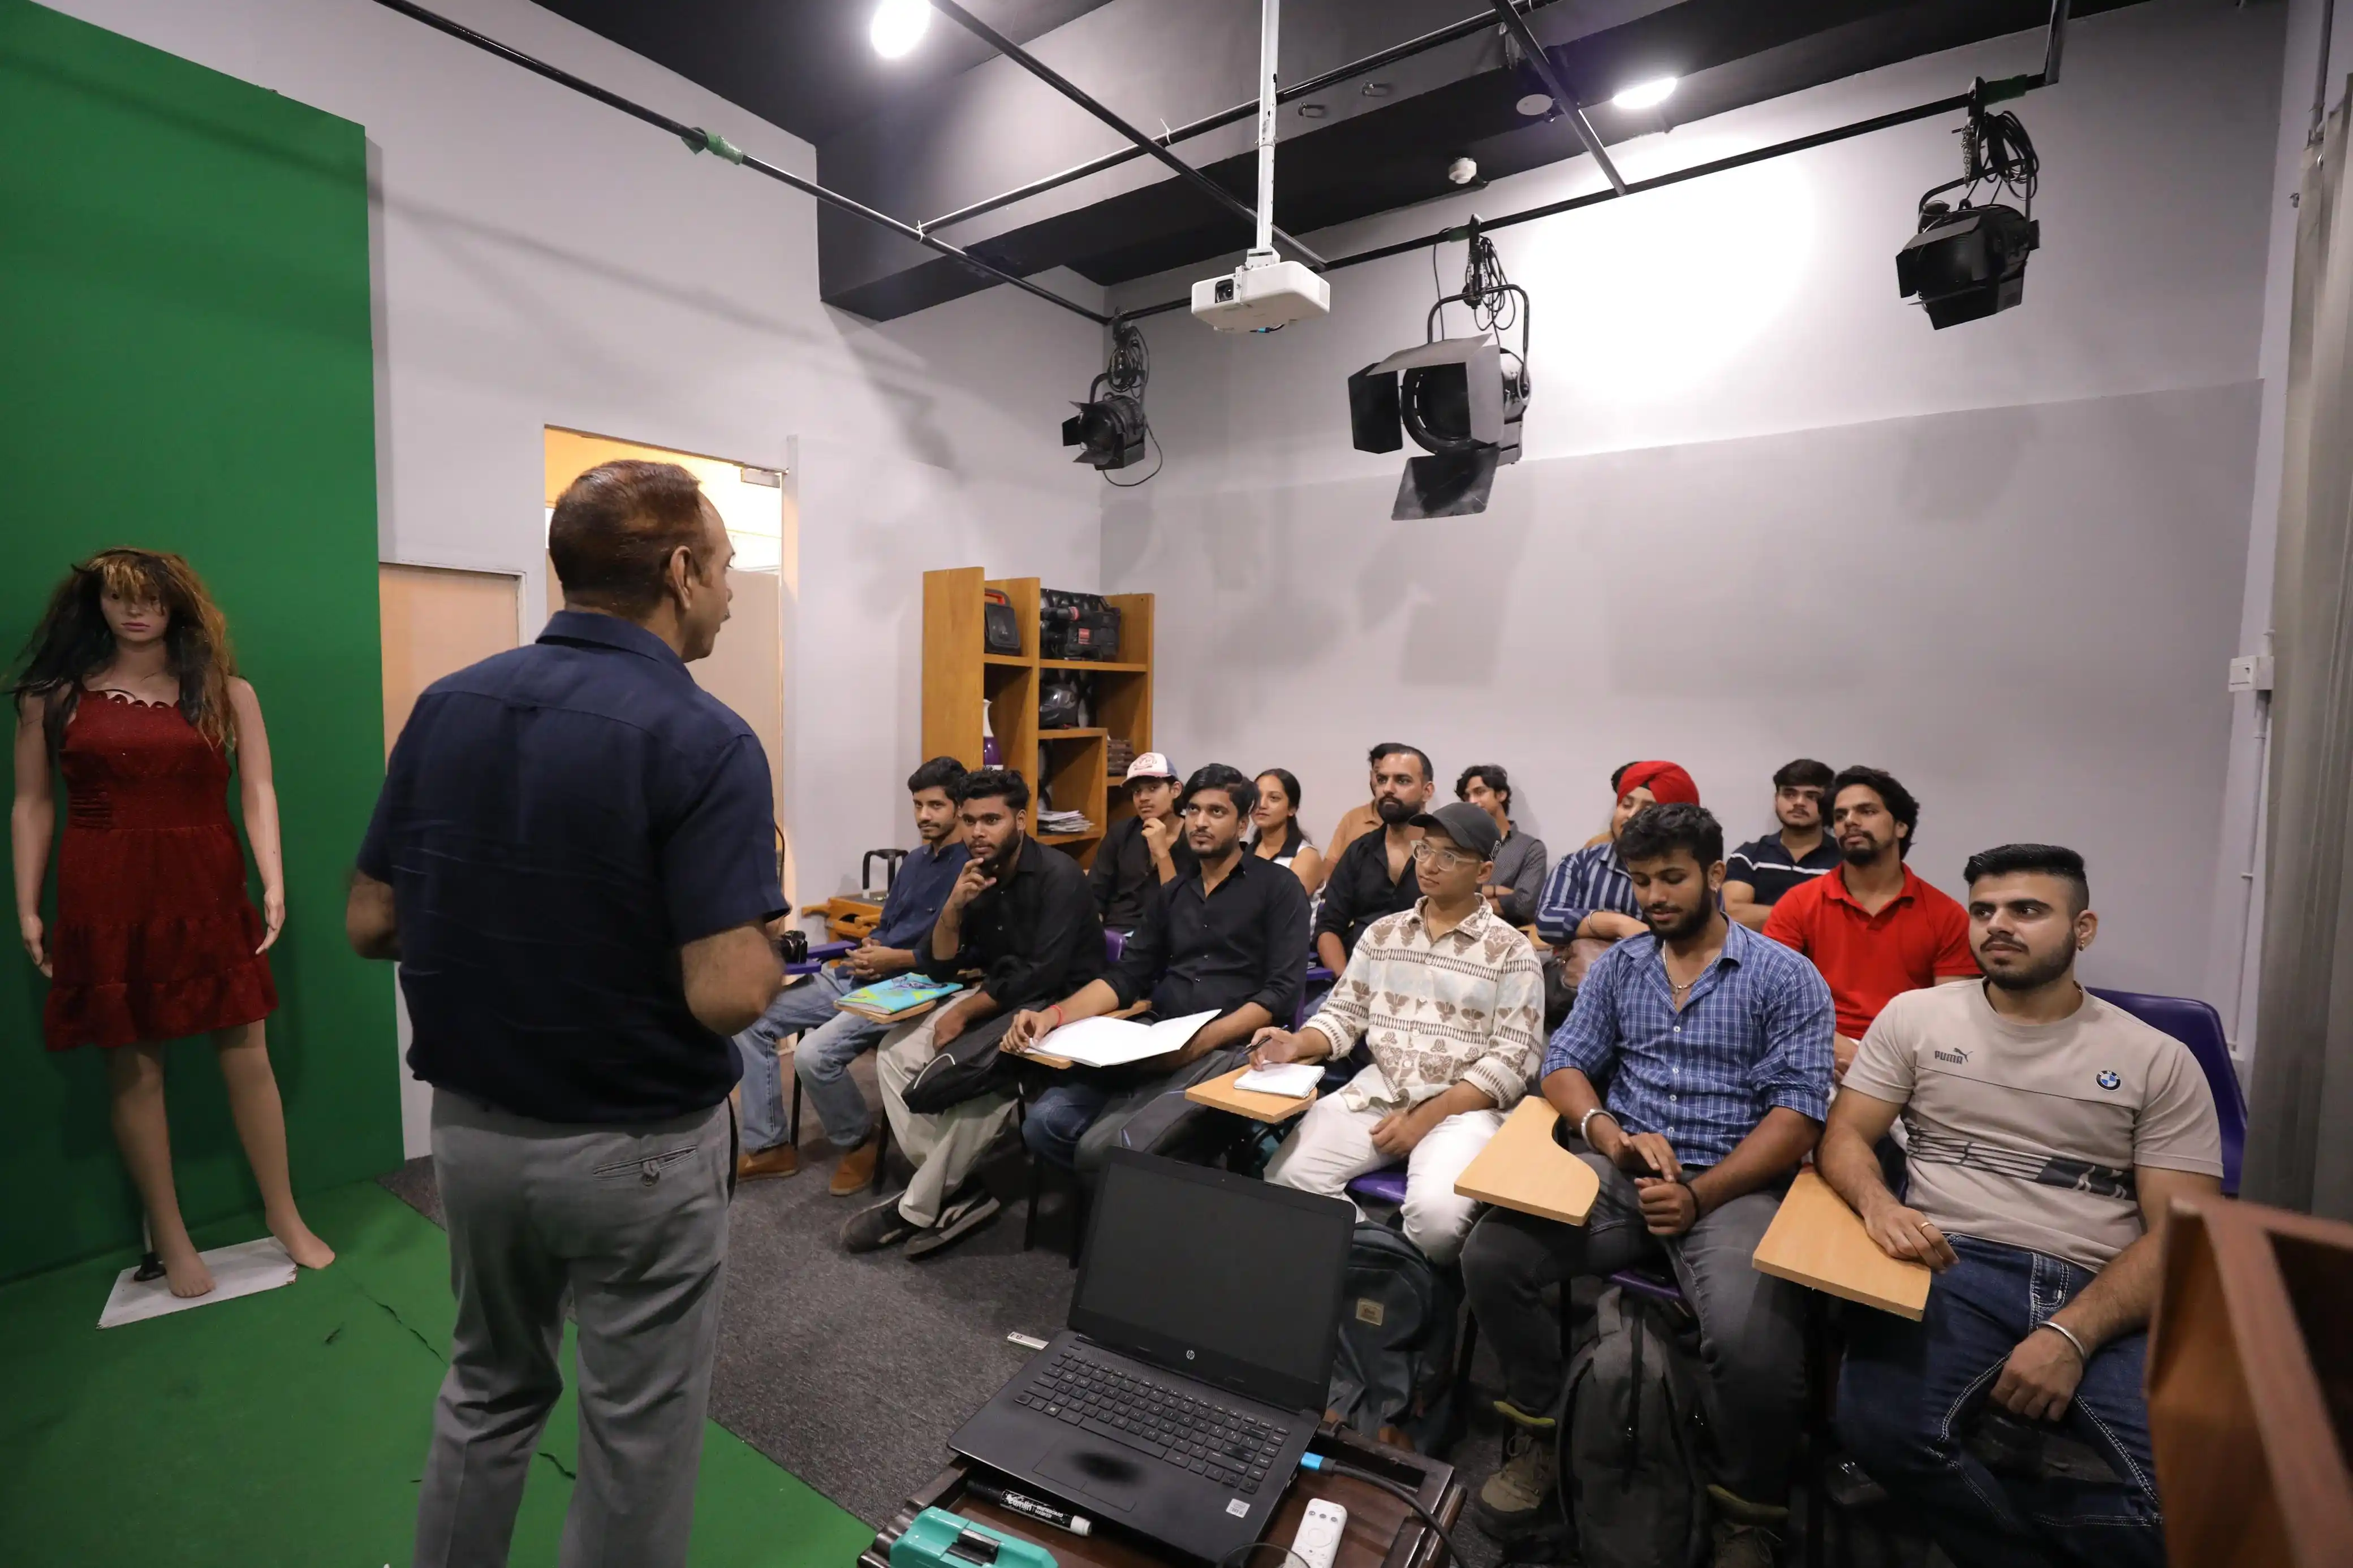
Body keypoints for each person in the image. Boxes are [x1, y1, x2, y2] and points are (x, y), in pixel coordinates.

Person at [348, 460, 787, 1568]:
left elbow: (370, 919)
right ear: (680, 571)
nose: (731, 593)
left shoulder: (447, 707)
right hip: (636, 1149)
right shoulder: (708, 740)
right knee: (636, 1436)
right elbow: (729, 991)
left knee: (487, 1388)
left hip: (474, 1138)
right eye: (725, 566)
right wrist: (770, 938)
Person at [1822, 844, 2221, 1568]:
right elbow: (1845, 1134)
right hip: (1953, 1265)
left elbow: (2181, 1234)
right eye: (1982, 910)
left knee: (2194, 1508)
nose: (1997, 925)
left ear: (2082, 928)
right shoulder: (1915, 1018)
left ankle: (1984, 1509)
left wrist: (2071, 1336)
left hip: (2103, 1284)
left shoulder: (2155, 1059)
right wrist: (1877, 1203)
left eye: (2026, 910)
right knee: (1881, 1431)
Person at [1460, 804, 1834, 1567]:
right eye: (1641, 881)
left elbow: (1797, 1117)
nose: (1655, 896)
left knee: (1752, 1344)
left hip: (1732, 1186)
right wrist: (1608, 1135)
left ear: (1715, 875)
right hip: (1624, 1170)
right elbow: (1563, 1064)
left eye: (1672, 878)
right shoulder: (1622, 967)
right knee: (1490, 1255)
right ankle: (1543, 1429)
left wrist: (1700, 1195)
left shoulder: (1783, 976)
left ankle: (1745, 1507)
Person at [11, 547, 332, 1298]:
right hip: (105, 891)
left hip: (207, 885)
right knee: (132, 1061)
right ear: (96, 603)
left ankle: (284, 1213)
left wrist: (273, 878)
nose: (136, 610)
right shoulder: (53, 699)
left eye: (153, 597)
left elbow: (258, 789)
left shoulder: (225, 692)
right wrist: (27, 904)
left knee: (247, 1050)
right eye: (120, 596)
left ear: (177, 606)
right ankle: (172, 1235)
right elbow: (32, 802)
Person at [1251, 801, 1544, 1264]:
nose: (1429, 864)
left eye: (1449, 856)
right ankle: (1385, 1271)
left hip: (1463, 1109)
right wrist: (1298, 1043)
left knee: (1437, 1223)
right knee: (1288, 1178)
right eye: (1424, 849)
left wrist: (1422, 1120)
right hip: (1381, 1092)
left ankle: (1397, 1278)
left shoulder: (1511, 951)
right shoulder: (1385, 934)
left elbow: (1510, 1064)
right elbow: (1344, 1013)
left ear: (1484, 870)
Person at [847, 767, 1104, 1259]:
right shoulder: (975, 873)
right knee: (894, 1052)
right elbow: (940, 962)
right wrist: (952, 909)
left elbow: (1042, 975)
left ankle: (914, 1207)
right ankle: (956, 1186)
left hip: (1062, 1008)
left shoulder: (1060, 876)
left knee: (982, 1086)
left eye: (991, 819)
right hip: (997, 997)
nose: (978, 832)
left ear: (1021, 820)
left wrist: (966, 1013)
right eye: (969, 821)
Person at [1009, 765, 1308, 1183]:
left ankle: (1135, 1195)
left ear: (1243, 824)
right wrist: (1053, 1015)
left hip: (1228, 1048)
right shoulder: (1174, 893)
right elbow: (1126, 977)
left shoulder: (1278, 887)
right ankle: (1129, 1190)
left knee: (1104, 1149)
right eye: (1194, 810)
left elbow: (1281, 992)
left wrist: (1200, 1042)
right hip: (1157, 1037)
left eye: (1217, 812)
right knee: (1044, 1126)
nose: (1200, 822)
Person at [729, 756, 968, 1191]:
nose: (923, 815)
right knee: (751, 1017)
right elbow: (887, 924)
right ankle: (770, 1146)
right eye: (918, 805)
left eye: (935, 805)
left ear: (959, 807)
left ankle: (860, 1139)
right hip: (866, 971)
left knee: (812, 1055)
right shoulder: (915, 861)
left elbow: (956, 957)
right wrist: (872, 945)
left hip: (912, 984)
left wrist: (893, 959)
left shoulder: (970, 868)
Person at [1764, 764, 1975, 1079]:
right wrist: (1832, 1046)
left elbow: (1951, 1016)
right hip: (1818, 1050)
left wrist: (1883, 1062)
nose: (1850, 821)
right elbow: (1771, 997)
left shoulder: (1947, 914)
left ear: (1901, 826)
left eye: (1867, 811)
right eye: (1840, 816)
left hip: (1908, 1059)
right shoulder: (1798, 903)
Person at [1533, 759, 1699, 947]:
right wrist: (1617, 924)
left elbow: (1708, 936)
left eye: (1647, 810)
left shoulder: (1695, 872)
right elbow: (1548, 920)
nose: (1631, 815)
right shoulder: (1581, 863)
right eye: (1626, 805)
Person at [1314, 743, 1436, 971]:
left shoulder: (1448, 855)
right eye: (1382, 780)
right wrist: (1345, 983)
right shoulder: (1359, 851)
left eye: (1402, 781)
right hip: (1361, 978)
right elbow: (1329, 928)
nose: (1388, 789)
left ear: (1427, 791)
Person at [1722, 758, 1838, 931]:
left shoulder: (1846, 861)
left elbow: (1846, 921)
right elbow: (1732, 915)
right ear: (1777, 798)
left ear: (1828, 804)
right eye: (1790, 794)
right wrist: (1810, 916)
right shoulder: (1749, 857)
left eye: (1812, 796)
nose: (1799, 802)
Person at [1091, 751, 1191, 931]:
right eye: (1137, 791)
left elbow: (1181, 908)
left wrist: (1161, 852)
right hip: (1115, 933)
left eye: (1153, 788)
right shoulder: (1121, 833)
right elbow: (1095, 893)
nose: (1143, 798)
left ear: (1175, 790)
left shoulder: (1194, 837)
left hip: (1167, 936)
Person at [1456, 763, 1547, 926]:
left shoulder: (1530, 848)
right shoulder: (1458, 843)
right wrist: (1496, 891)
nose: (1472, 801)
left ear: (1501, 795)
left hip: (1505, 934)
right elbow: (1444, 893)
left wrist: (1466, 899)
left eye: (1480, 792)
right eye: (1467, 797)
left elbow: (1526, 905)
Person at [1248, 766, 1325, 894]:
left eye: (1274, 798)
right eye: (1257, 797)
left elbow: (1284, 903)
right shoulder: (1245, 853)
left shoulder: (1306, 856)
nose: (1262, 805)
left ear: (1292, 809)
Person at [1324, 744, 1394, 866]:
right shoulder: (1353, 818)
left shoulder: (1421, 827)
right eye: (1379, 774)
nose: (1387, 786)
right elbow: (1329, 866)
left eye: (1398, 777)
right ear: (1371, 775)